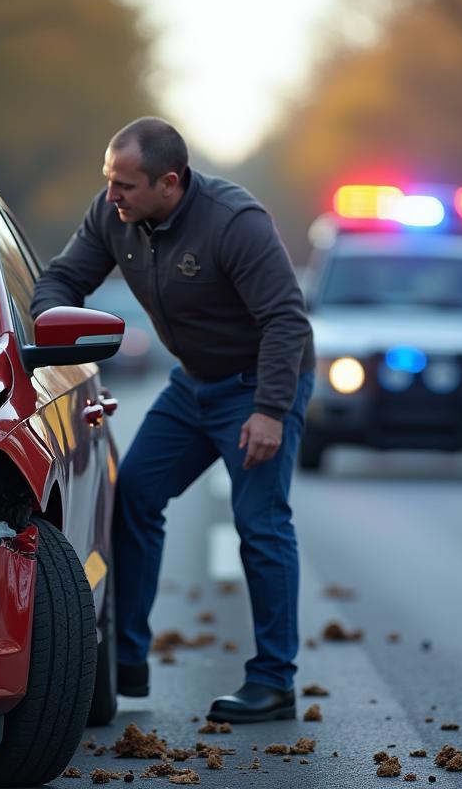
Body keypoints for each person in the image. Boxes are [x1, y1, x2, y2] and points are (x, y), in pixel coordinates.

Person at [31, 117, 314, 722]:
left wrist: (270, 411)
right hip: (195, 385)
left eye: (125, 186)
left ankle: (274, 681)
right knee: (133, 495)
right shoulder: (115, 216)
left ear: (169, 182)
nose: (112, 197)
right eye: (109, 182)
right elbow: (61, 277)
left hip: (258, 382)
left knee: (259, 522)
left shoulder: (235, 224)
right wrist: (50, 321)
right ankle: (125, 657)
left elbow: (287, 321)